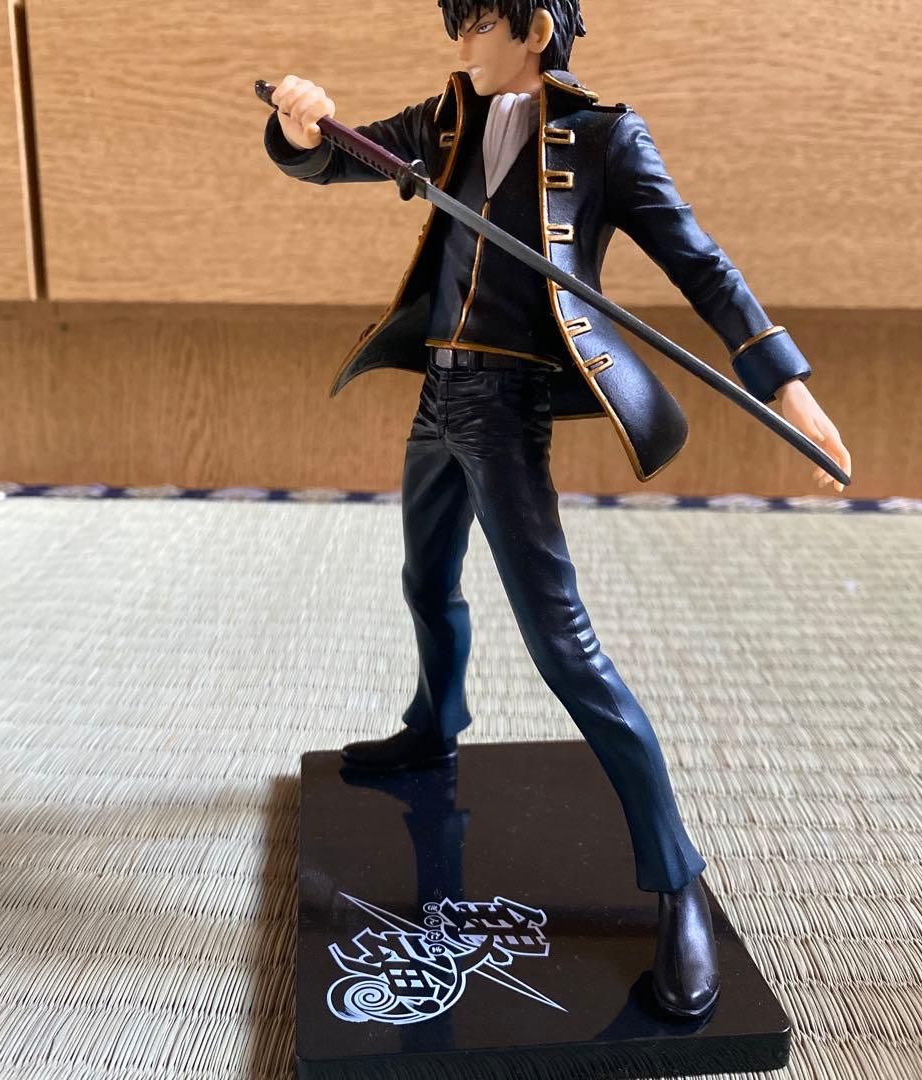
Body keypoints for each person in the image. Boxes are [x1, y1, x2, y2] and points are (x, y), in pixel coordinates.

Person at [263, 0, 851, 1020]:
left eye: (475, 26)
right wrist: (300, 125)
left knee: (563, 645)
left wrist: (787, 385)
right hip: (438, 391)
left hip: (506, 406)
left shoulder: (606, 138)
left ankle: (676, 880)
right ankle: (434, 726)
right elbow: (339, 156)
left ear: (534, 28)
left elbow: (701, 263)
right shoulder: (449, 116)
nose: (459, 47)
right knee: (424, 577)